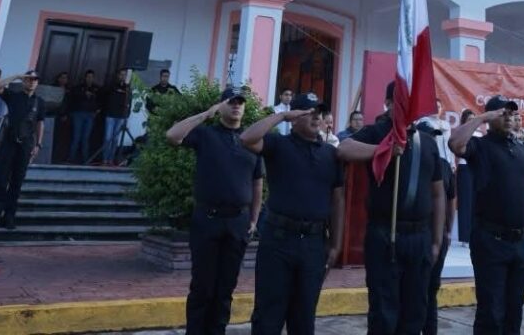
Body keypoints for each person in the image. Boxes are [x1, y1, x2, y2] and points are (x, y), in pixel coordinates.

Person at [337, 80, 445, 335]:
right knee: (384, 312)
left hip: (420, 236)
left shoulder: (428, 141)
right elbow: (344, 149)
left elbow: (438, 193)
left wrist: (437, 241)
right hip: (386, 233)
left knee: (415, 311)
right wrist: (383, 150)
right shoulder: (377, 131)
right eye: (401, 100)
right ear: (388, 104)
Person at [241, 92, 344, 335]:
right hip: (278, 241)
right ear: (295, 117)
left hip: (313, 244)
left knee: (304, 317)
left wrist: (335, 244)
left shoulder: (330, 154)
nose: (316, 117)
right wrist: (282, 116)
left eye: (319, 113)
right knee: (268, 315)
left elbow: (338, 200)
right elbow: (246, 138)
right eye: (309, 112)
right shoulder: (279, 144)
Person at [167, 85, 263, 335]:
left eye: (240, 102)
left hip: (238, 222)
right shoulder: (206, 134)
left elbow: (257, 183)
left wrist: (254, 219)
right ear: (221, 106)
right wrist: (206, 114)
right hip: (207, 220)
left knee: (225, 289)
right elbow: (173, 136)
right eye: (231, 101)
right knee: (202, 287)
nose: (236, 106)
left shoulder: (250, 140)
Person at [448, 96, 524, 335]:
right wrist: (482, 118)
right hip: (491, 242)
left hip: (521, 244)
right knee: (491, 314)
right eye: (503, 113)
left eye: (512, 114)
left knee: (514, 313)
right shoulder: (480, 146)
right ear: (491, 117)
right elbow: (455, 144)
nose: (509, 118)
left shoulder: (522, 147)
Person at [0, 70, 46, 231]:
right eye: (29, 79)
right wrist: (17, 76)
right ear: (24, 81)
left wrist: (38, 144)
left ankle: (9, 217)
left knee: (17, 183)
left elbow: (40, 123)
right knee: (2, 181)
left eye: (35, 79)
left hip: (26, 144)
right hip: (9, 142)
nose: (32, 82)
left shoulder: (39, 102)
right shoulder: (13, 96)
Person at [418, 122, 456, 335]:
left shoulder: (443, 165)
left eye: (434, 137)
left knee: (431, 289)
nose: (432, 141)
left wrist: (448, 230)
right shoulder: (410, 160)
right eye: (428, 136)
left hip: (437, 236)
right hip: (417, 232)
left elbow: (451, 199)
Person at [67, 69, 100, 164]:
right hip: (78, 113)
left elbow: (100, 100)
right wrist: (84, 94)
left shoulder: (97, 89)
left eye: (91, 77)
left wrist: (98, 110)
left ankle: (86, 160)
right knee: (76, 137)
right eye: (88, 77)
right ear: (85, 77)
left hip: (90, 115)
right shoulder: (78, 88)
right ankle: (71, 159)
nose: (89, 79)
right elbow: (73, 97)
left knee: (86, 138)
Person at [101, 67, 132, 166]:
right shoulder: (111, 86)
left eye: (124, 75)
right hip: (110, 115)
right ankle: (104, 159)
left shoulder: (128, 88)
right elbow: (104, 97)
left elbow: (129, 102)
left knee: (115, 139)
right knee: (108, 138)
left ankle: (111, 159)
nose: (123, 76)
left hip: (121, 116)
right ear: (118, 75)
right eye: (121, 74)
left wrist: (127, 115)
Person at [455, 108, 476, 246]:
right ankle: (464, 237)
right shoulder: (460, 132)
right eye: (469, 119)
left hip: (476, 169)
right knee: (465, 202)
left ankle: (474, 234)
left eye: (473, 119)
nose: (472, 122)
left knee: (475, 202)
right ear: (464, 120)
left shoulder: (479, 134)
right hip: (464, 167)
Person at [422, 99, 454, 171]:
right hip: (434, 161)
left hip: (447, 162)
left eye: (439, 107)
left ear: (441, 109)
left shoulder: (446, 124)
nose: (436, 109)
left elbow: (450, 144)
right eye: (434, 107)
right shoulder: (425, 121)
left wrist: (452, 163)